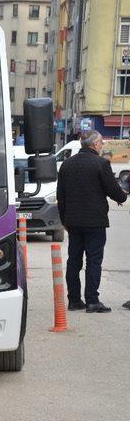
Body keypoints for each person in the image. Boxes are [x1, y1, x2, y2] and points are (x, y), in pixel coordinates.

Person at [57, 130, 128, 313]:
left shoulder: (66, 165)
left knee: (74, 261)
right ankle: (92, 301)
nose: (102, 146)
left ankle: (73, 300)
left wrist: (64, 219)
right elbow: (114, 191)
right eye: (101, 143)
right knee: (94, 261)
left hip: (73, 222)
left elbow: (60, 196)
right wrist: (122, 196)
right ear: (95, 145)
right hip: (94, 222)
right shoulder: (101, 164)